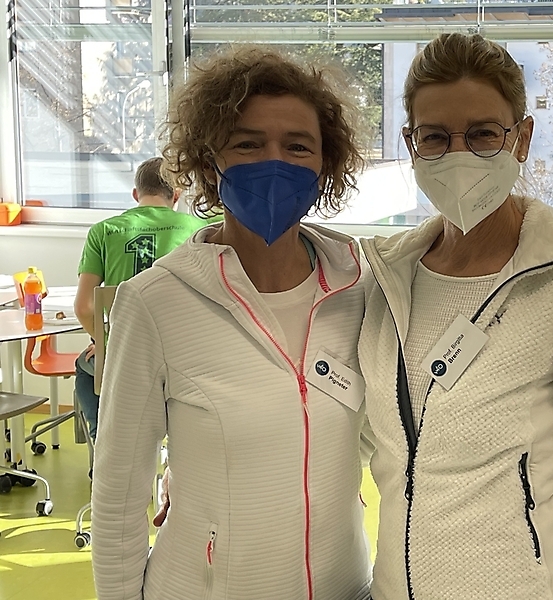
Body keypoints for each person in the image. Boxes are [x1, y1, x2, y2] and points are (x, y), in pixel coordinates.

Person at [357, 33, 553, 600]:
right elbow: (367, 442)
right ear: (410, 144)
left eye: (483, 134)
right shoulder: (386, 282)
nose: (459, 157)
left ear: (521, 138)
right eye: (435, 137)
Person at [90, 47, 372, 600]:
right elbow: (118, 495)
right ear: (208, 162)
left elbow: (358, 433)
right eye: (248, 144)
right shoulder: (155, 302)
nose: (275, 163)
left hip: (346, 585)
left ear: (325, 165)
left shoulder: (360, 286)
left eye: (298, 146)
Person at [73, 157, 204, 439]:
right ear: (176, 195)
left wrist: (104, 343)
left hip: (125, 353)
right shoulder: (198, 229)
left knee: (84, 368)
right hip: (184, 355)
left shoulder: (103, 231)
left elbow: (84, 307)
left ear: (136, 194)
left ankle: (103, 440)